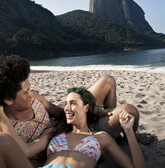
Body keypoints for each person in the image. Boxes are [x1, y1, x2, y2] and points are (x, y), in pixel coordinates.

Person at [0, 87, 146, 168]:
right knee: (2, 140)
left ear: (86, 107)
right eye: (65, 104)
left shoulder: (101, 137)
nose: (67, 108)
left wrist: (128, 131)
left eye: (73, 103)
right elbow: (26, 150)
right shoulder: (55, 131)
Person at [0, 54, 139, 162]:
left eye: (30, 88)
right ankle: (116, 136)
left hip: (74, 119)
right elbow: (26, 155)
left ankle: (124, 137)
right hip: (73, 140)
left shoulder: (34, 99)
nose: (31, 94)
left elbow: (59, 113)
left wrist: (95, 111)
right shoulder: (8, 127)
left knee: (107, 80)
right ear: (8, 100)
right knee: (129, 110)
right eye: (25, 92)